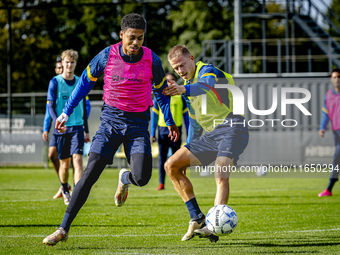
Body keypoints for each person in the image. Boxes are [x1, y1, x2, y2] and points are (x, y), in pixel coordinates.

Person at [43, 13, 179, 246]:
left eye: (141, 38)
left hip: (138, 125)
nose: (136, 43)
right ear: (122, 35)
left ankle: (125, 177)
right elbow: (84, 83)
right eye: (132, 38)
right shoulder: (107, 55)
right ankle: (63, 229)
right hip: (110, 122)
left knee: (142, 177)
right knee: (90, 173)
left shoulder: (153, 60)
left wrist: (169, 120)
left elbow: (160, 93)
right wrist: (66, 111)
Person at [162, 45, 249, 242]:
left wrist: (184, 88)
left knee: (220, 171)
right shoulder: (187, 89)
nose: (180, 71)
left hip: (233, 126)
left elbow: (207, 85)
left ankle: (214, 225)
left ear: (191, 58)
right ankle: (197, 218)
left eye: (182, 65)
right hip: (211, 136)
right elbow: (194, 123)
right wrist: (188, 150)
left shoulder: (207, 71)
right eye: (176, 69)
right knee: (172, 165)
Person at [43, 56, 92, 200]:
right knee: (64, 165)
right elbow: (50, 106)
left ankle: (77, 195)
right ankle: (64, 188)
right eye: (67, 62)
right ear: (62, 63)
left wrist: (87, 130)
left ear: (75, 64)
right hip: (62, 129)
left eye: (72, 62)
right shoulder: (55, 82)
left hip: (77, 128)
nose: (69, 65)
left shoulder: (80, 82)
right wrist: (56, 123)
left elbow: (83, 107)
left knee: (77, 160)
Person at [151, 73, 189, 190]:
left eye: (172, 80)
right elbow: (154, 117)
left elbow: (186, 116)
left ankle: (178, 183)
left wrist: (189, 132)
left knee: (178, 158)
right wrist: (152, 133)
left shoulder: (180, 97)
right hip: (163, 131)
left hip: (177, 131)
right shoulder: (159, 96)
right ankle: (161, 183)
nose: (170, 82)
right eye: (167, 80)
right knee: (162, 158)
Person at [318, 68, 340, 197]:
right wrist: (322, 127)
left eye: (339, 77)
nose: (337, 79)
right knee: (337, 160)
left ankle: (329, 188)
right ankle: (329, 189)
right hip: (335, 132)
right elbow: (325, 113)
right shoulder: (329, 95)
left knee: (337, 158)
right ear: (331, 79)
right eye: (335, 77)